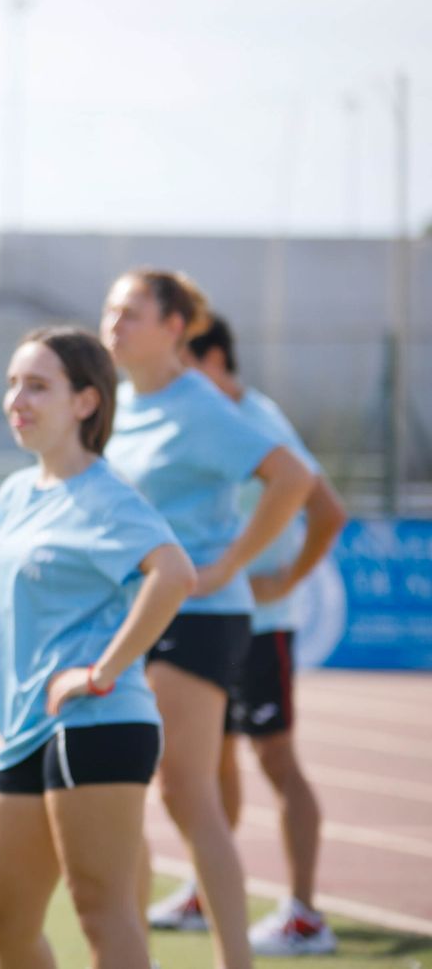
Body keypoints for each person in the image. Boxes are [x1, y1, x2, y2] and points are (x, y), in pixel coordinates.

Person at [101, 270, 313, 969]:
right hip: (134, 612)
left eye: (132, 312)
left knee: (183, 790)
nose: (115, 322)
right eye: (111, 310)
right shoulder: (119, 403)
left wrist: (228, 566)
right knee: (128, 785)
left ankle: (235, 959)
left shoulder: (200, 403)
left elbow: (293, 478)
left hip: (199, 614)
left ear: (175, 329)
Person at [0, 327, 196, 969]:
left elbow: (175, 573)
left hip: (95, 723)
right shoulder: (13, 495)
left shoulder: (105, 496)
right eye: (14, 383)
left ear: (86, 403)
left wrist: (102, 671)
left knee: (102, 911)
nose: (18, 398)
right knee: (6, 917)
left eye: (38, 386)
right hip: (24, 730)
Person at [144, 313, 345, 956]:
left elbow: (326, 506)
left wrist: (284, 580)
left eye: (184, 366)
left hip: (258, 624)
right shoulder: (190, 417)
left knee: (277, 760)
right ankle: (209, 891)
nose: (175, 381)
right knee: (210, 766)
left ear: (211, 361)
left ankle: (306, 912)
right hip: (211, 619)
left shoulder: (251, 417)